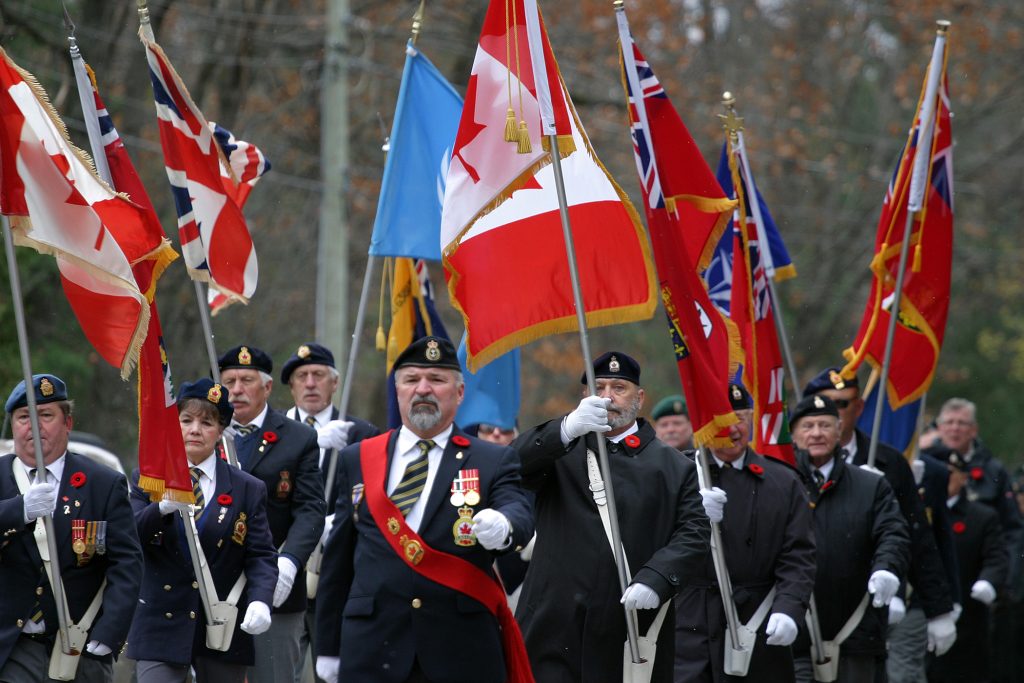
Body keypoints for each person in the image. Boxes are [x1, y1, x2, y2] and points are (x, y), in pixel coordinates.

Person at [315, 336, 533, 683]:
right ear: (397, 389)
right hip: (372, 647)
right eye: (412, 379)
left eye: (437, 379)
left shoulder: (491, 458)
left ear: (459, 392)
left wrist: (504, 525)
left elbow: (518, 510)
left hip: (459, 648)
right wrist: (327, 645)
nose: (423, 389)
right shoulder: (359, 458)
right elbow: (338, 562)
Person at [513, 351, 710, 683]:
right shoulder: (561, 449)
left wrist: (657, 578)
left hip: (627, 625)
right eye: (597, 387)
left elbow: (694, 532)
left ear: (640, 397)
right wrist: (565, 429)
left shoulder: (673, 466)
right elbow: (512, 464)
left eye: (619, 387)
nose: (607, 397)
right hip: (553, 621)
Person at [803, 368, 957, 678]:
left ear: (859, 408)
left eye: (842, 405)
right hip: (806, 607)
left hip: (866, 609)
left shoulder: (889, 462)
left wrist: (939, 608)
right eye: (825, 404)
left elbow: (916, 535)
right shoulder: (788, 466)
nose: (834, 414)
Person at [126, 378, 278, 683]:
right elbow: (129, 539)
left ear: (220, 431)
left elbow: (260, 554)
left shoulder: (247, 488)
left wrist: (261, 599)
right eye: (186, 420)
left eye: (207, 422)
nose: (195, 429)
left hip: (220, 623)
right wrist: (160, 509)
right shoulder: (149, 478)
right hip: (161, 622)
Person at [0, 374, 143, 682]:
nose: (34, 427)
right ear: (13, 425)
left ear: (68, 423)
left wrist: (109, 635)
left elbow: (127, 564)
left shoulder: (102, 483)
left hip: (79, 646)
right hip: (10, 644)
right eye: (24, 417)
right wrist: (17, 510)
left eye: (46, 415)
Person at [674, 383, 815, 682]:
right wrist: (691, 512)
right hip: (691, 625)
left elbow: (799, 554)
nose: (733, 428)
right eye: (723, 420)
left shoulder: (783, 481)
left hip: (758, 621)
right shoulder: (680, 476)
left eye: (741, 417)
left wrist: (789, 608)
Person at [217, 345, 325, 683]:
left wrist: (290, 561)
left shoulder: (298, 438)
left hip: (274, 584)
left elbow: (310, 509)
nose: (236, 389)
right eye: (229, 381)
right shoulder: (204, 434)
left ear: (266, 387)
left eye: (247, 380)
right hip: (213, 585)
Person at [789, 394, 910, 683]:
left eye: (824, 425)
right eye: (808, 426)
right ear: (793, 435)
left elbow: (893, 533)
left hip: (856, 631)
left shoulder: (871, 484)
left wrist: (886, 568)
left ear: (840, 429)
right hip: (794, 630)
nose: (816, 433)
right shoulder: (780, 483)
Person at [279, 342, 380, 682]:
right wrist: (311, 441)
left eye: (318, 375)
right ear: (290, 385)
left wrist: (343, 519)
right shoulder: (273, 433)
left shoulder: (361, 433)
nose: (310, 383)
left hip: (339, 579)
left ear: (334, 383)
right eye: (301, 376)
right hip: (284, 577)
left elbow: (378, 496)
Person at [926, 451, 1009, 683]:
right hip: (921, 615)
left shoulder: (981, 516)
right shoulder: (921, 511)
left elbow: (997, 556)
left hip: (966, 616)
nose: (943, 478)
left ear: (963, 477)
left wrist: (988, 581)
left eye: (950, 473)